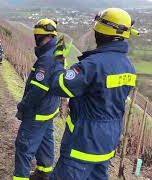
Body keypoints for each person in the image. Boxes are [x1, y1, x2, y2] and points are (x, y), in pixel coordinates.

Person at [46, 8, 138, 179]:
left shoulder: (92, 65)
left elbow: (58, 86)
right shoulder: (129, 67)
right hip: (107, 144)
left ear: (100, 32)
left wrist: (59, 60)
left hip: (82, 144)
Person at [13, 18, 60, 180]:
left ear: (39, 37)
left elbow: (38, 90)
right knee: (46, 140)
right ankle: (44, 171)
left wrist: (23, 107)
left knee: (23, 146)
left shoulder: (46, 58)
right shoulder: (56, 53)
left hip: (38, 110)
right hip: (49, 109)